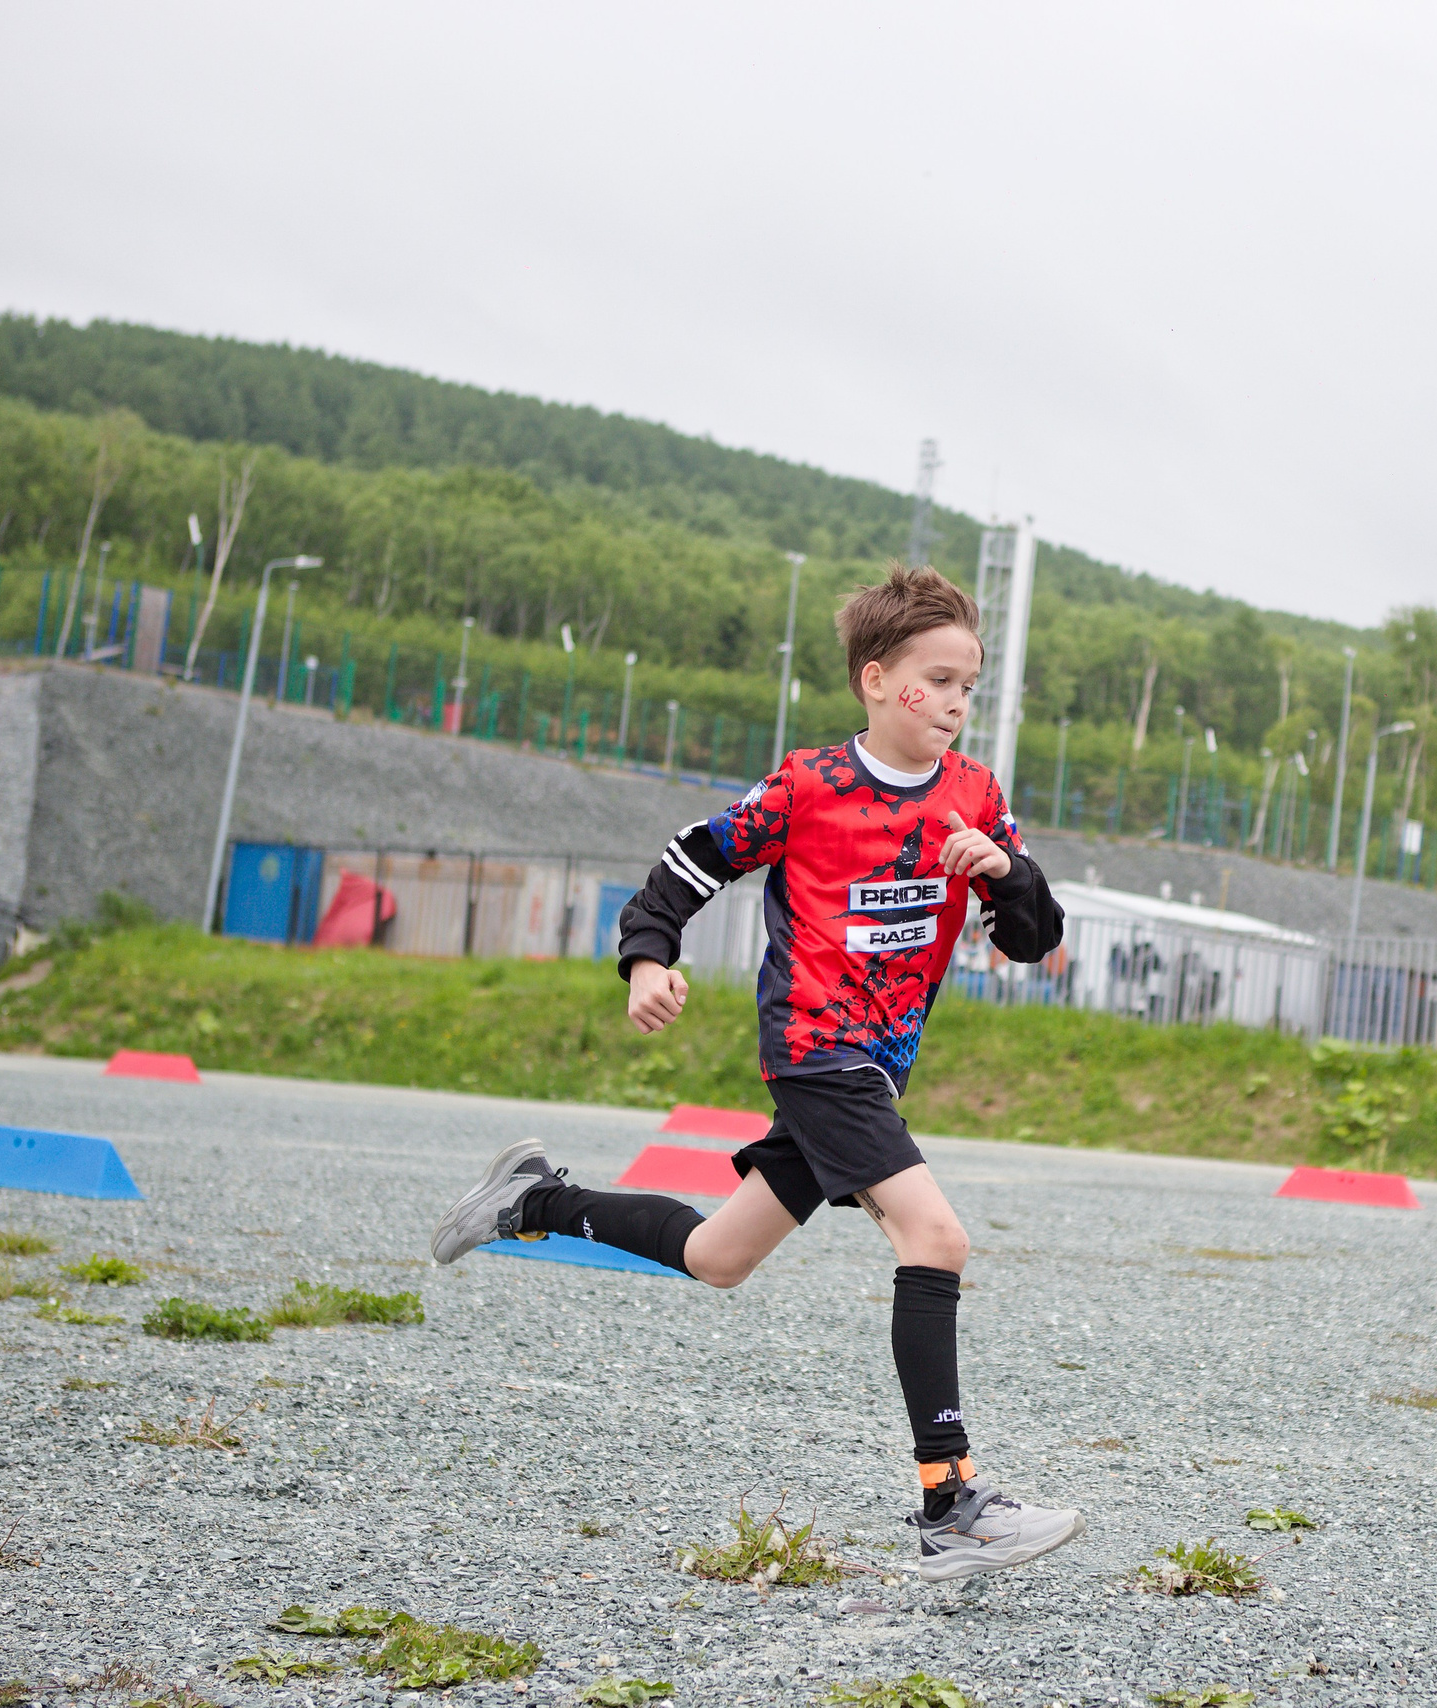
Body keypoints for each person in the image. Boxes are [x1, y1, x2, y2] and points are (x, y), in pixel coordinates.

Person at [430, 564, 1081, 1585]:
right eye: (938, 680)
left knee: (717, 1256)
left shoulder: (975, 796)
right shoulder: (808, 786)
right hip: (818, 1054)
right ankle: (949, 1501)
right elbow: (689, 863)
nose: (957, 703)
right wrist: (648, 958)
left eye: (970, 685)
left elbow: (1031, 939)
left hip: (878, 1070)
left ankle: (533, 1200)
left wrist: (1008, 873)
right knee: (937, 1238)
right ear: (877, 680)